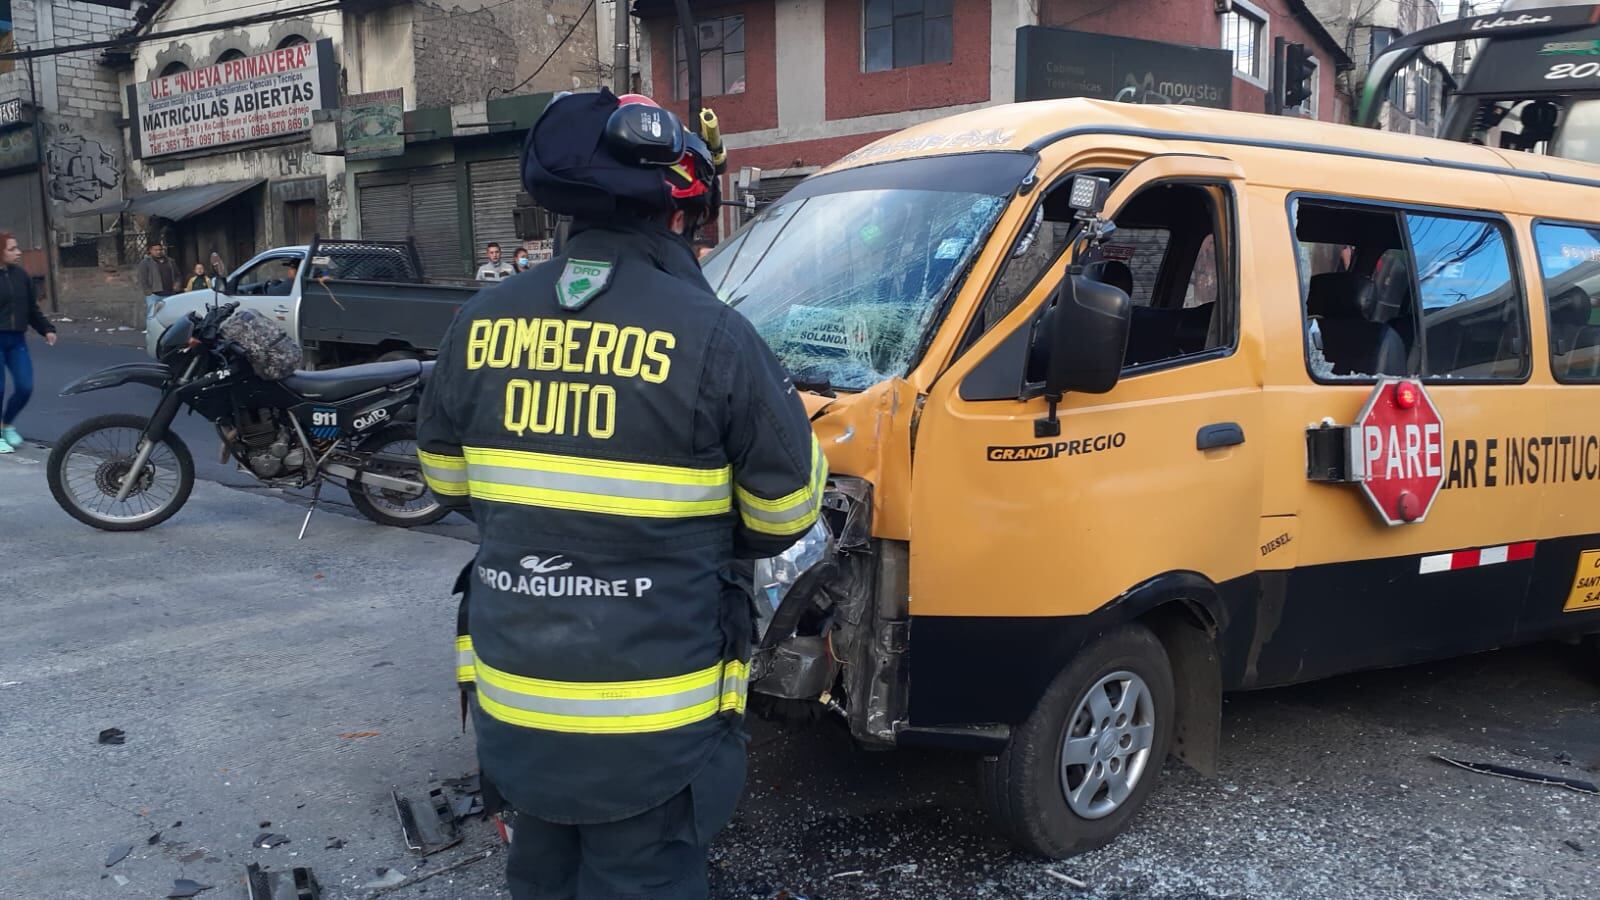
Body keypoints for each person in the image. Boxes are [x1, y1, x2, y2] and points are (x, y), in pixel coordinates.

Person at [416, 88, 823, 900]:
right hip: (653, 731)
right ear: (677, 217)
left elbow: (448, 483)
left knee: (540, 877)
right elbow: (786, 514)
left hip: (516, 710)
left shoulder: (478, 324)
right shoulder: (716, 336)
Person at [0, 231, 58, 454]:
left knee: (25, 386)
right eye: (12, 249)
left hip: (16, 339)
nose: (18, 252)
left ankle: (6, 424)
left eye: (17, 248)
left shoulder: (21, 275)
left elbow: (32, 309)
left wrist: (46, 329)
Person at [135, 241, 178, 310]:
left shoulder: (170, 261)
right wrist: (149, 293)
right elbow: (142, 279)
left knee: (170, 312)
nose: (158, 252)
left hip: (170, 293)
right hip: (154, 295)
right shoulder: (145, 263)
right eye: (156, 250)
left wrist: (177, 285)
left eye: (160, 250)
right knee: (152, 314)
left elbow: (178, 275)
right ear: (150, 250)